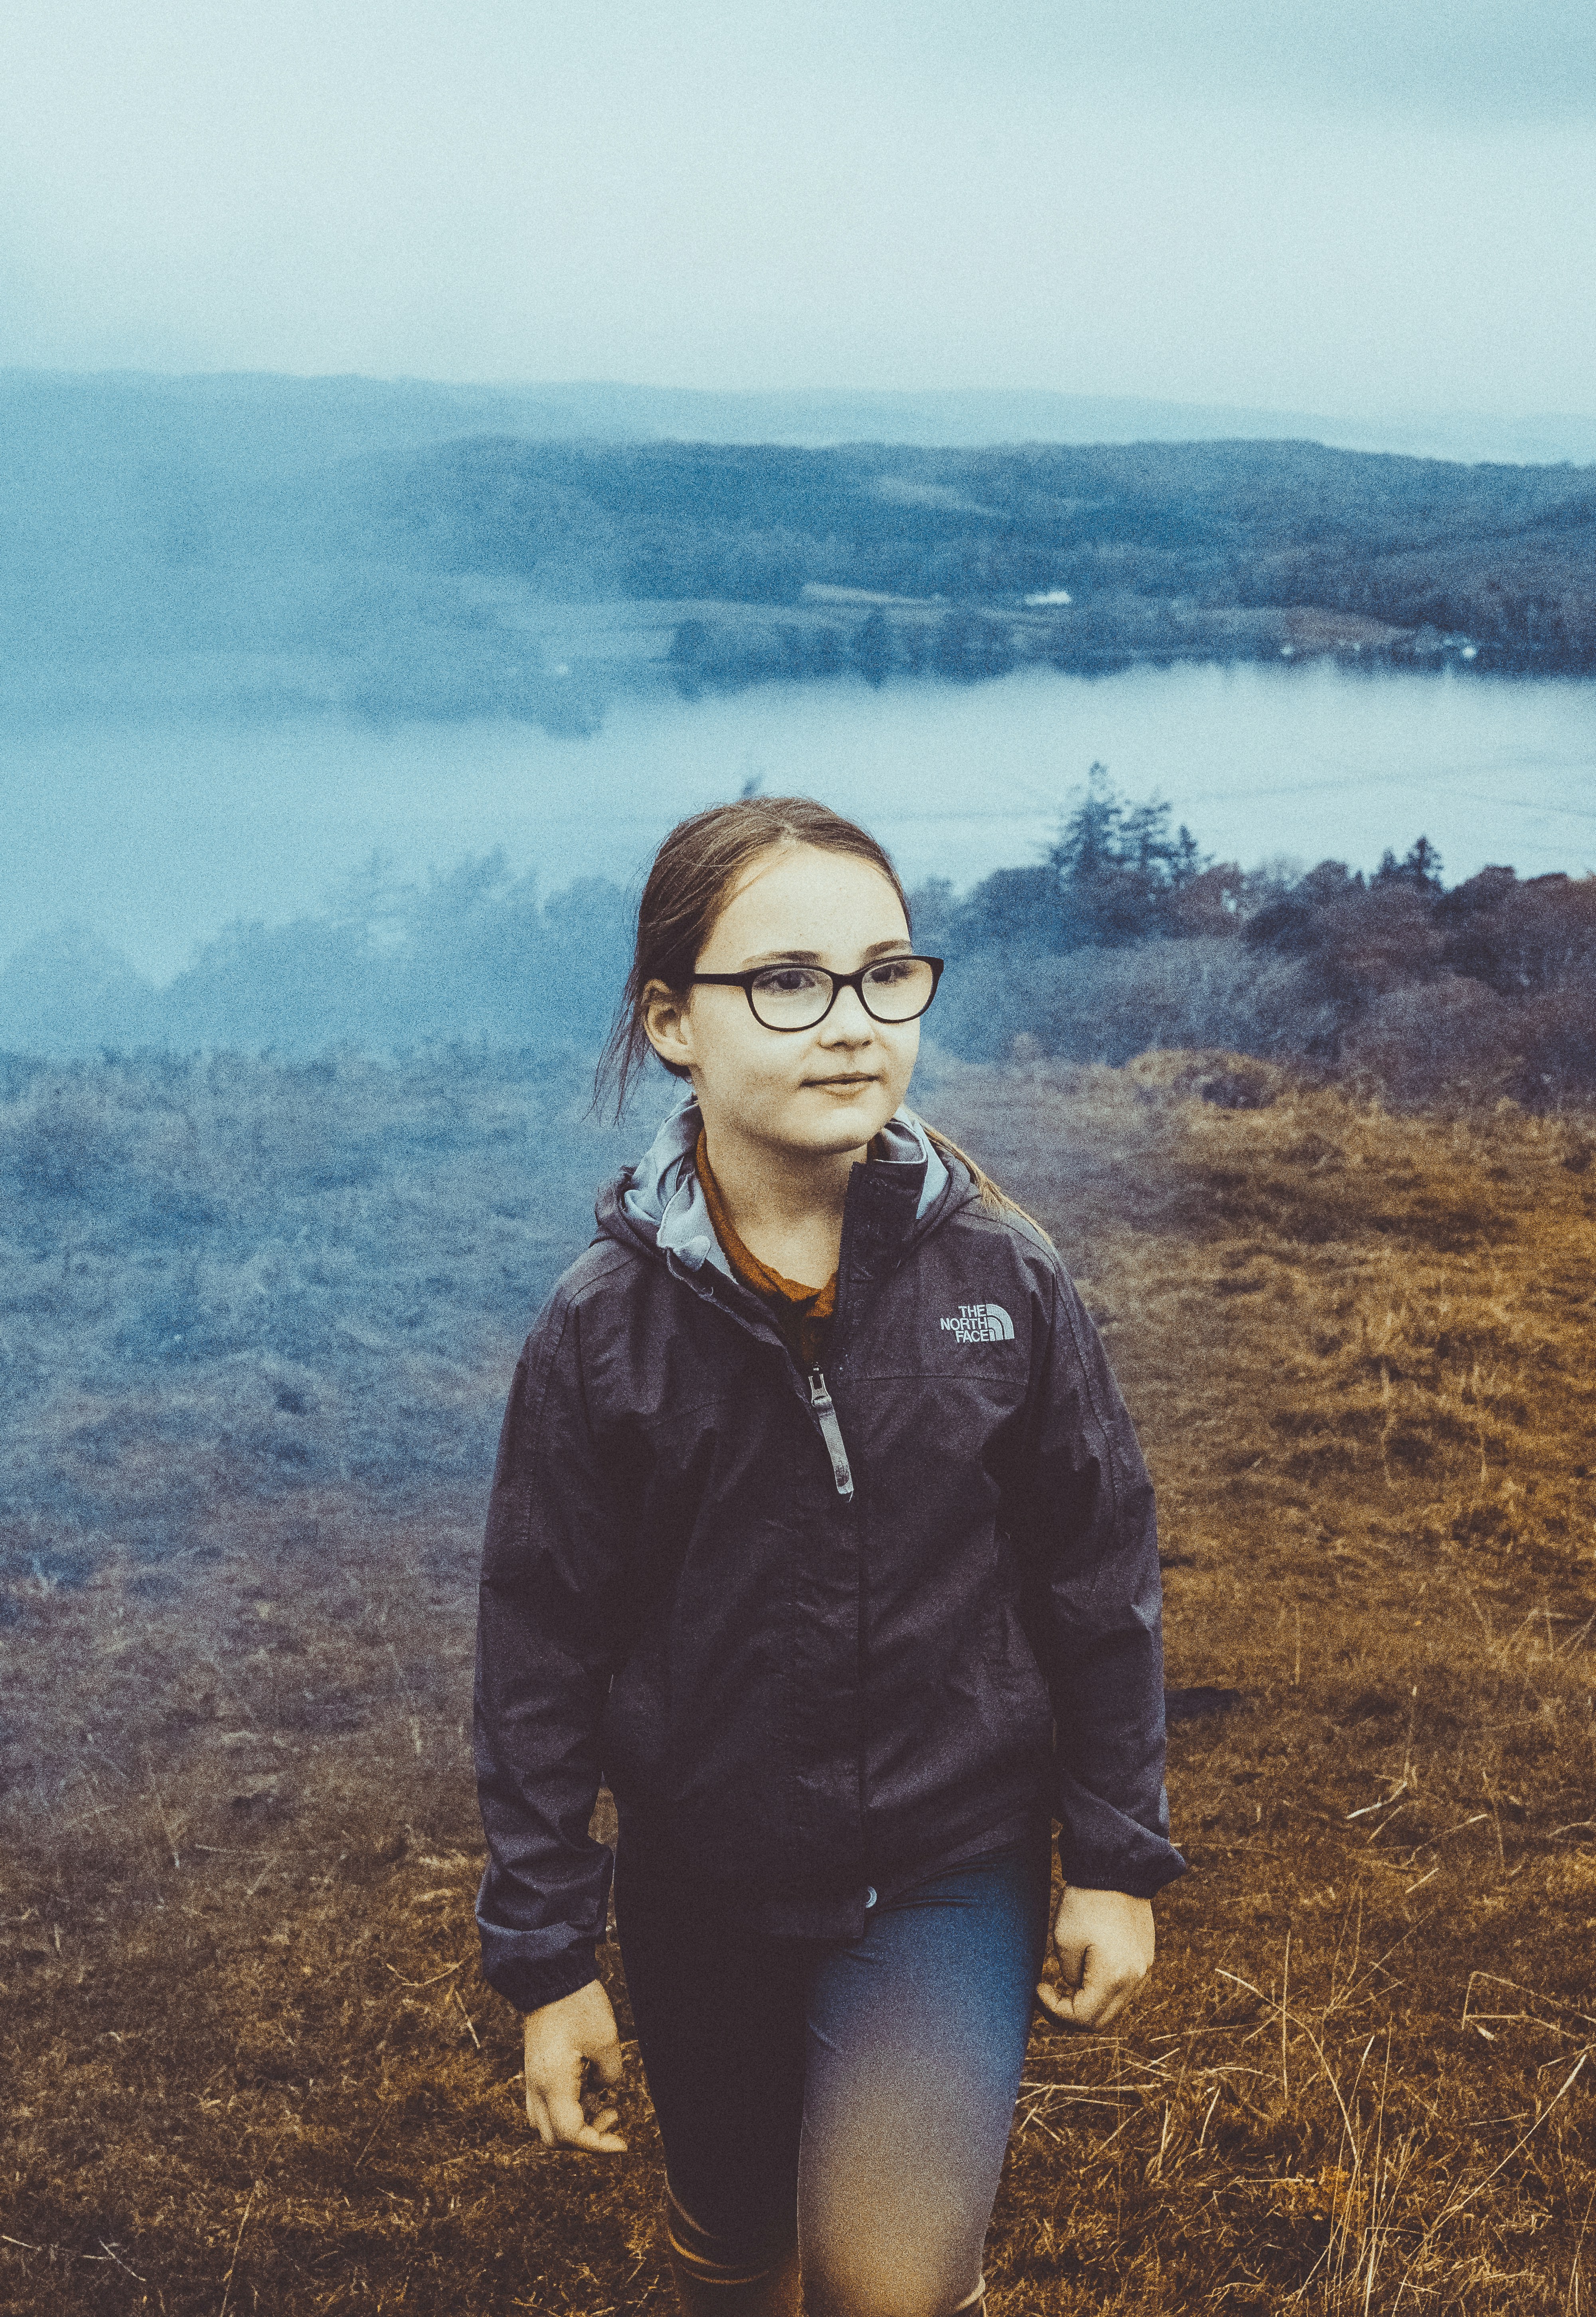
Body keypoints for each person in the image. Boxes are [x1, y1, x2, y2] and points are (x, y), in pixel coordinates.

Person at [473, 796, 1184, 2317]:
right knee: (738, 2250)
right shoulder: (601, 1333)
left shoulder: (1008, 1279)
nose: (851, 1022)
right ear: (673, 1020)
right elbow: (539, 1653)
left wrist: (1116, 1863)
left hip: (947, 1864)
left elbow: (1098, 1576)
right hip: (703, 1877)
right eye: (787, 982)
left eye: (885, 975)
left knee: (886, 2281)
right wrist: (547, 1957)